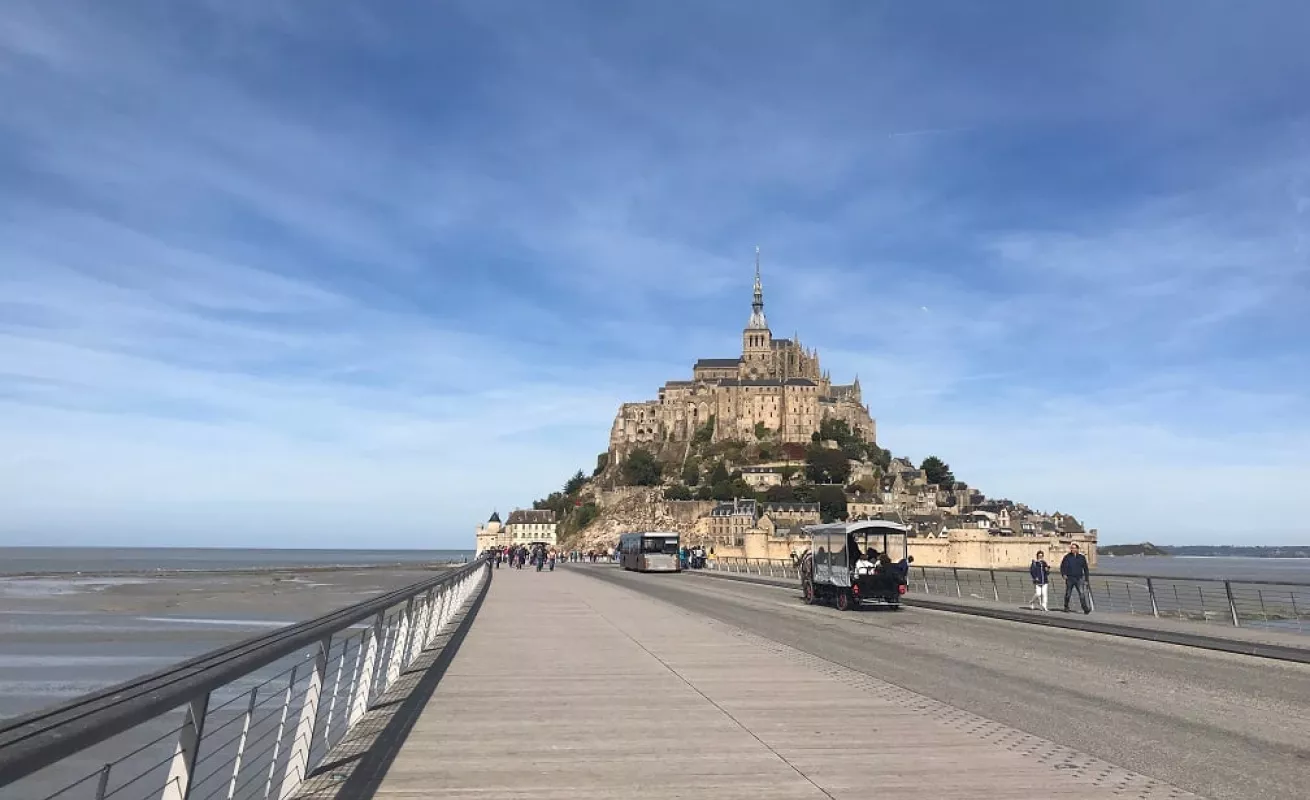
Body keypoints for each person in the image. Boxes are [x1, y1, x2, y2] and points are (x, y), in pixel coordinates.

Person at [1059, 543, 1091, 613]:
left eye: (1074, 548)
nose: (1073, 549)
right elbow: (1062, 567)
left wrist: (1086, 579)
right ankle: (1066, 607)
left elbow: (1086, 569)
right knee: (1068, 594)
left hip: (1079, 578)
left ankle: (1085, 608)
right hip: (1069, 578)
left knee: (1082, 594)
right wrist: (1063, 574)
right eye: (1072, 548)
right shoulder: (1067, 557)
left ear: (1077, 549)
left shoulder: (1082, 557)